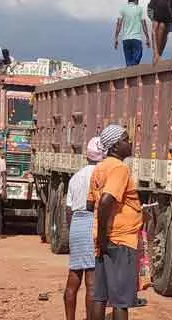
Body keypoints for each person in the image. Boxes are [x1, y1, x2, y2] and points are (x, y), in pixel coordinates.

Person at [88, 125, 142, 320]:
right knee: (121, 301)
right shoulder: (119, 168)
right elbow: (105, 201)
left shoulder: (99, 168)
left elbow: (90, 204)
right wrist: (105, 237)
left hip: (104, 240)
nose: (130, 143)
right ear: (115, 145)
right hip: (120, 241)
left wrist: (101, 238)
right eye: (126, 139)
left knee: (100, 297)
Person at [64, 137, 104, 320]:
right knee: (91, 281)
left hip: (76, 224)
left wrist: (72, 231)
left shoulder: (75, 177)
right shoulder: (101, 174)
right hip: (91, 222)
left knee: (74, 276)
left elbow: (68, 209)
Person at [114, 0, 151, 67]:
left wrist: (116, 38)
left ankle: (130, 71)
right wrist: (147, 38)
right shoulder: (139, 9)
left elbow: (119, 24)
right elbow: (144, 24)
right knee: (137, 59)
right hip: (136, 38)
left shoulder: (122, 9)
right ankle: (133, 70)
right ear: (136, 1)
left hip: (126, 39)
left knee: (128, 61)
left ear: (129, 1)